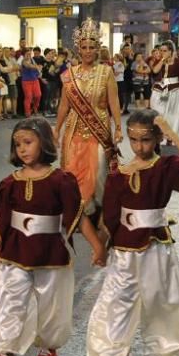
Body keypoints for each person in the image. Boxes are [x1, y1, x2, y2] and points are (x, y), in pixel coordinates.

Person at [86, 109, 179, 356]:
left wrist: (169, 130)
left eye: (145, 140)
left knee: (162, 297)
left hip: (155, 245)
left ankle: (165, 351)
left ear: (156, 139)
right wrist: (100, 248)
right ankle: (111, 354)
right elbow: (110, 217)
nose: (139, 146)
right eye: (133, 140)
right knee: (117, 297)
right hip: (123, 248)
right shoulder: (119, 172)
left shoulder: (165, 167)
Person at [0, 118, 106, 356]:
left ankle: (48, 346)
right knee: (8, 299)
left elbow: (77, 218)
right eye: (18, 145)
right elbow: (2, 221)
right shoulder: (9, 183)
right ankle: (5, 350)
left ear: (45, 143)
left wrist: (98, 246)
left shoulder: (61, 181)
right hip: (14, 251)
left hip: (49, 253)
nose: (23, 149)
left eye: (28, 142)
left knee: (50, 302)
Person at [54, 18, 122, 220]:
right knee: (74, 170)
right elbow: (64, 105)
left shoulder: (106, 72)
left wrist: (118, 127)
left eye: (92, 47)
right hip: (74, 128)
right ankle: (84, 208)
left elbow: (114, 101)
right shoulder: (69, 75)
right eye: (84, 47)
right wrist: (57, 129)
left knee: (100, 167)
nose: (88, 51)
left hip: (98, 127)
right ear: (79, 49)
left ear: (97, 48)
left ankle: (102, 206)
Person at [149, 41, 179, 141]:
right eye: (161, 50)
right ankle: (159, 132)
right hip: (159, 88)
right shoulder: (159, 61)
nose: (162, 52)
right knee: (157, 110)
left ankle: (170, 136)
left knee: (172, 113)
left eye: (165, 51)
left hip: (174, 89)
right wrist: (162, 60)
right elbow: (155, 71)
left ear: (171, 51)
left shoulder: (178, 62)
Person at [19, 47, 42, 117]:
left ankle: (35, 108)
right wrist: (37, 67)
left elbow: (38, 69)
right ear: (24, 54)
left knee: (38, 95)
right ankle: (27, 112)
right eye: (27, 53)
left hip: (35, 80)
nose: (29, 54)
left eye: (29, 53)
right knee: (28, 97)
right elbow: (28, 66)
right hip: (26, 81)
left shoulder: (32, 60)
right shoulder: (23, 61)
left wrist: (39, 72)